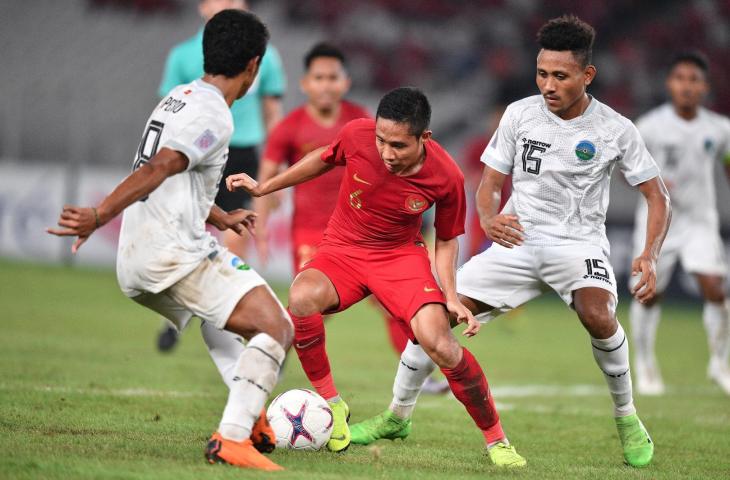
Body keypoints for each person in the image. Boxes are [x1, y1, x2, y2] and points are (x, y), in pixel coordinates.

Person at [351, 15, 671, 468]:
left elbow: (658, 197)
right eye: (542, 73)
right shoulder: (520, 115)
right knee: (432, 317)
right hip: (517, 241)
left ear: (587, 75)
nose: (548, 84)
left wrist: (649, 254)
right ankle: (397, 415)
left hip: (578, 245)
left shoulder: (615, 129)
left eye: (560, 75)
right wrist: (488, 215)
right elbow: (490, 182)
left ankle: (627, 417)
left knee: (598, 316)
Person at [227, 87, 526, 467]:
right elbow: (323, 157)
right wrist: (265, 187)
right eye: (381, 141)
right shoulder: (356, 135)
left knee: (440, 343)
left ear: (424, 138)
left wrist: (451, 296)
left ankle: (497, 440)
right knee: (301, 299)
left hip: (399, 258)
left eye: (399, 145)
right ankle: (333, 406)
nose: (386, 153)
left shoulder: (446, 175)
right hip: (343, 249)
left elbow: (447, 241)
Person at [47, 10, 292, 471]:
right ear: (253, 67)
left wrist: (217, 215)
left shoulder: (177, 98)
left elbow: (177, 176)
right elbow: (161, 166)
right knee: (277, 328)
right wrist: (99, 214)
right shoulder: (214, 115)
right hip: (172, 256)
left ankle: (252, 414)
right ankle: (233, 437)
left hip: (138, 262)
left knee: (218, 319)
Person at [256, 42, 449, 393]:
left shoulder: (364, 121)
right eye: (319, 77)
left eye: (333, 77)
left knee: (391, 305)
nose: (326, 84)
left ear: (345, 82)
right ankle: (272, 353)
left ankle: (418, 376)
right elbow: (270, 169)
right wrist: (262, 221)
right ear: (306, 83)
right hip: (313, 232)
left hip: (363, 231)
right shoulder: (290, 127)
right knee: (311, 304)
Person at [156, 0, 286, 352]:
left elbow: (273, 115)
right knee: (187, 232)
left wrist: (275, 172)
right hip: (196, 153)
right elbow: (170, 110)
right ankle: (176, 312)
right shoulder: (182, 56)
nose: (229, 3)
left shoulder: (266, 56)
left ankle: (227, 311)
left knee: (237, 234)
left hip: (244, 152)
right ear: (201, 7)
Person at [630, 51, 730, 396]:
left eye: (694, 80)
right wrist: (651, 185)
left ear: (705, 87)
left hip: (700, 220)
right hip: (658, 222)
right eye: (680, 78)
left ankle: (719, 363)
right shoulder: (649, 126)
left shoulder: (720, 129)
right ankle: (644, 364)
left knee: (715, 287)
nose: (686, 86)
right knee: (648, 295)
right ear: (669, 84)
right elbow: (625, 170)